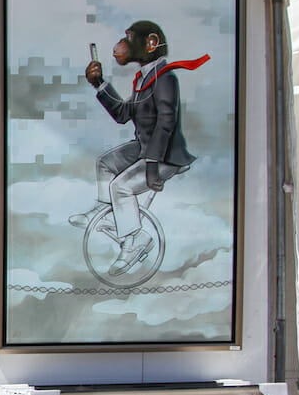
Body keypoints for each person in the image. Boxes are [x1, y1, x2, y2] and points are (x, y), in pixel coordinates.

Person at [72, 20, 208, 276]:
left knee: (120, 186)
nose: (121, 45)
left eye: (129, 37)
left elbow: (166, 123)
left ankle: (136, 240)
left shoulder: (165, 79)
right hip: (146, 148)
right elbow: (123, 114)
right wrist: (99, 83)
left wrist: (153, 165)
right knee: (105, 163)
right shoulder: (145, 78)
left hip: (166, 155)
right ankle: (107, 210)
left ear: (151, 43)